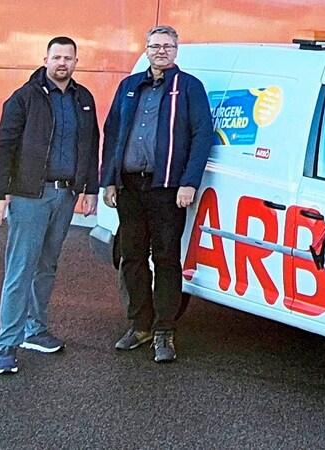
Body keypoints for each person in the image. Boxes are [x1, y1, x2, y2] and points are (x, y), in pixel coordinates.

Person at [100, 25, 212, 363]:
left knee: (166, 259)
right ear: (146, 50)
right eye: (154, 46)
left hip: (167, 190)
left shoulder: (189, 87)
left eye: (167, 46)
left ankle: (165, 331)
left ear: (176, 51)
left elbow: (201, 135)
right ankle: (140, 325)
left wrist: (189, 182)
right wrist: (108, 180)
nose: (160, 51)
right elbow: (113, 132)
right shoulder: (129, 86)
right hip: (130, 188)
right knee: (131, 257)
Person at [0, 36, 100, 375]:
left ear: (76, 62)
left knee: (47, 266)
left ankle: (34, 330)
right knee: (20, 270)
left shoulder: (83, 98)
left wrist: (90, 189)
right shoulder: (24, 98)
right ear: (46, 59)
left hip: (65, 196)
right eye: (56, 57)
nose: (62, 63)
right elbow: (5, 147)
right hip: (30, 195)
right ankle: (6, 346)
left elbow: (91, 144)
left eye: (68, 57)